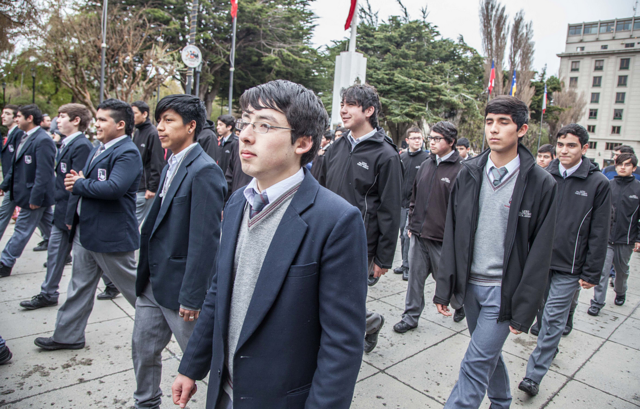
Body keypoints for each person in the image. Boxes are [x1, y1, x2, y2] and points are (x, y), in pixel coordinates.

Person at [170, 80, 367, 409]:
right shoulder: (237, 202)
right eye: (245, 121)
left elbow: (342, 344)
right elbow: (220, 291)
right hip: (224, 392)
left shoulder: (336, 221)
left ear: (302, 142)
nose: (245, 134)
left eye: (264, 125)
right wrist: (191, 367)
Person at [434, 96, 558, 409]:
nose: (494, 129)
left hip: (503, 293)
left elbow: (541, 252)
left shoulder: (541, 183)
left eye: (503, 122)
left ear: (522, 129)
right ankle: (501, 401)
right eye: (490, 122)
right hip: (470, 287)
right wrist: (445, 287)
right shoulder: (469, 172)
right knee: (486, 352)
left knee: (475, 363)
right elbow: (452, 233)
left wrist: (524, 308)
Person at [132, 95, 227, 408]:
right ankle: (145, 401)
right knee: (143, 348)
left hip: (182, 289)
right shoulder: (171, 161)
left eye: (169, 120)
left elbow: (206, 239)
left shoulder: (203, 170)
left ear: (191, 126)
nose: (160, 127)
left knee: (203, 361)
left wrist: (193, 294)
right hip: (152, 282)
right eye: (159, 120)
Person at [34, 98, 142, 350]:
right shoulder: (100, 147)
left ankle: (172, 330)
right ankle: (67, 336)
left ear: (121, 125)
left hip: (111, 237)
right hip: (87, 232)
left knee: (137, 293)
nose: (97, 124)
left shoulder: (127, 151)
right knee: (79, 287)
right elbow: (91, 183)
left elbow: (114, 188)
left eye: (103, 119)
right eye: (98, 118)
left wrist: (81, 184)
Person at [519, 124, 611, 397]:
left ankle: (534, 375)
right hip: (539, 261)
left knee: (552, 320)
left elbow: (599, 231)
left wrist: (592, 272)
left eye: (571, 145)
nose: (564, 150)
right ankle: (551, 344)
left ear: (584, 148)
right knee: (539, 313)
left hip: (570, 269)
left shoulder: (599, 184)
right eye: (560, 145)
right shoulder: (543, 176)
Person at [318, 83, 402, 353]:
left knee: (341, 299)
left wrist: (383, 258)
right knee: (327, 297)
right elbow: (318, 192)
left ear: (369, 110)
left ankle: (354, 336)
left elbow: (390, 210)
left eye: (351, 104)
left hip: (359, 243)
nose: (343, 110)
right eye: (342, 103)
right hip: (325, 236)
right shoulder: (335, 148)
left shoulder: (386, 155)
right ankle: (369, 322)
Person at [19, 104, 93, 309]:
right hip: (60, 211)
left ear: (76, 120)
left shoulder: (81, 146)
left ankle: (112, 284)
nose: (57, 120)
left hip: (70, 214)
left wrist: (70, 217)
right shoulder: (66, 143)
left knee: (88, 262)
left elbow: (75, 185)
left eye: (62, 116)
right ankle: (48, 293)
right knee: (54, 255)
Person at [395, 122, 464, 334]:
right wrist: (412, 221)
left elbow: (462, 210)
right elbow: (415, 196)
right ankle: (410, 316)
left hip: (442, 238)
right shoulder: (426, 164)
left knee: (444, 278)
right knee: (415, 278)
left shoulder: (461, 170)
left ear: (451, 142)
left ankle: (460, 304)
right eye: (431, 138)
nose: (431, 142)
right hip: (418, 234)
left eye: (437, 139)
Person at [0, 104, 55, 278]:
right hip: (23, 192)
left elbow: (43, 173)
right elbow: (15, 166)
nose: (16, 119)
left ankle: (5, 262)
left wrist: (35, 197)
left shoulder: (43, 139)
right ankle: (64, 252)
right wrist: (5, 185)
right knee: (51, 228)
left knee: (22, 229)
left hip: (34, 195)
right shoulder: (23, 137)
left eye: (18, 116)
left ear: (29, 118)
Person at [589, 153, 640, 315]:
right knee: (603, 272)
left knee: (621, 271)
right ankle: (597, 302)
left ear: (634, 167)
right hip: (606, 238)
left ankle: (620, 291)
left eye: (626, 165)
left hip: (626, 239)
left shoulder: (638, 188)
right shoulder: (607, 185)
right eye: (619, 164)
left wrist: (638, 238)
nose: (622, 168)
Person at [393, 127, 429, 279]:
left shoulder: (426, 159)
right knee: (402, 235)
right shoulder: (402, 157)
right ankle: (404, 262)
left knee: (410, 237)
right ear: (407, 140)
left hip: (416, 205)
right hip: (401, 203)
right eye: (414, 138)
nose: (417, 141)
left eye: (419, 138)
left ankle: (409, 266)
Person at [131, 100, 165, 225]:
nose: (132, 116)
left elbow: (157, 161)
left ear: (144, 114)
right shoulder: (138, 132)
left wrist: (152, 187)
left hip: (145, 189)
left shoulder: (153, 133)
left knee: (134, 224)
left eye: (134, 113)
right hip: (136, 187)